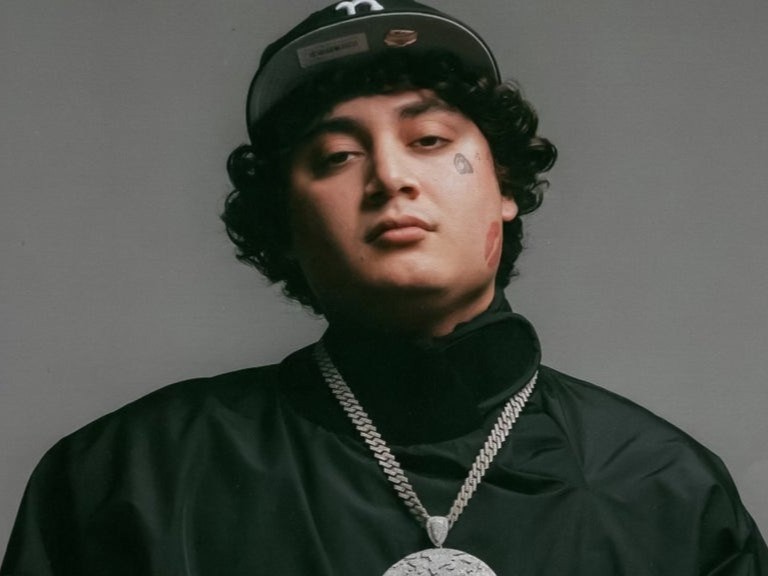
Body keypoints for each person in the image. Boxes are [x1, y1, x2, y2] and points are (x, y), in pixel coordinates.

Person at [2, 1, 766, 574]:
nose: (390, 177)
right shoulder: (125, 479)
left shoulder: (666, 489)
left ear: (504, 185)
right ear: (286, 224)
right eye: (337, 156)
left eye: (429, 139)